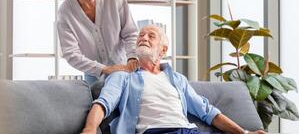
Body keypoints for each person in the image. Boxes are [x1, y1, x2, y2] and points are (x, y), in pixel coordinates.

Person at [81, 25, 266, 134]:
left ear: (163, 50)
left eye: (151, 36)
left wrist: (244, 133)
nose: (143, 38)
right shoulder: (122, 76)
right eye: (140, 36)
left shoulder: (177, 79)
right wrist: (89, 129)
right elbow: (102, 104)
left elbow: (207, 112)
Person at [57, 0, 139, 85]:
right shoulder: (65, 12)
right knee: (98, 102)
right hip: (93, 74)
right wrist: (104, 69)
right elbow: (71, 54)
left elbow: (130, 32)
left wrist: (132, 57)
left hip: (124, 68)